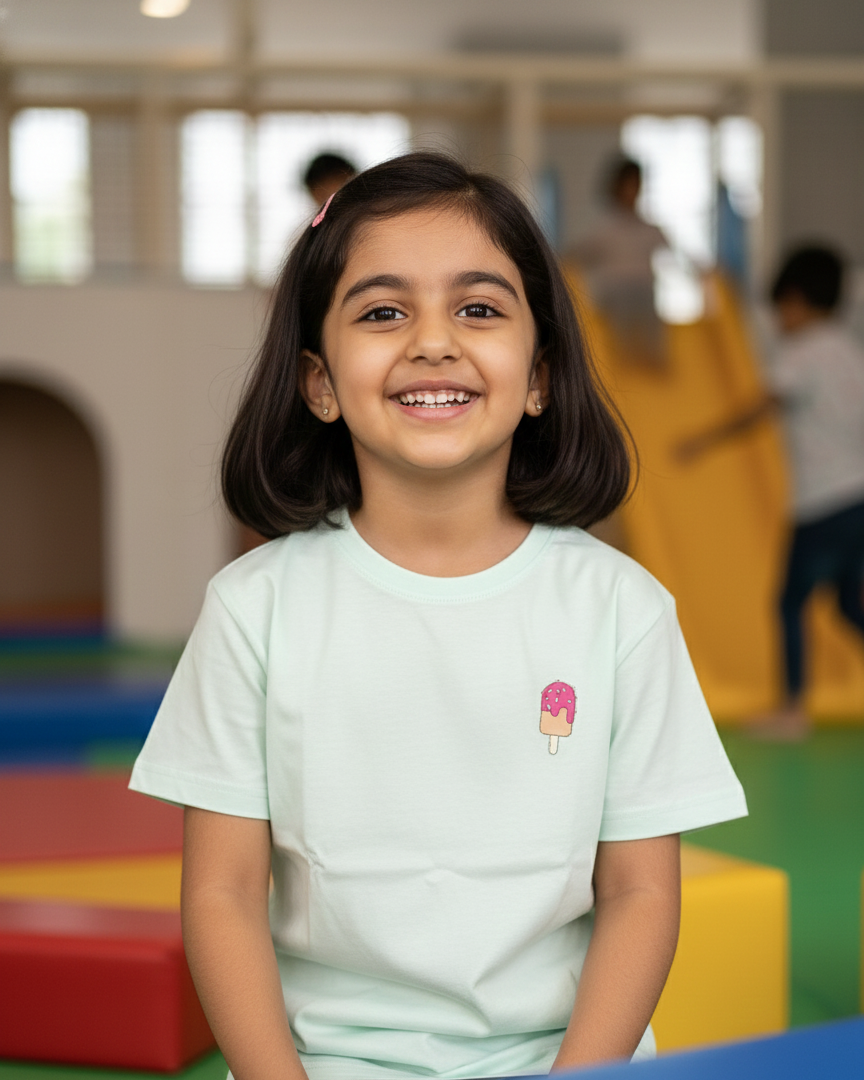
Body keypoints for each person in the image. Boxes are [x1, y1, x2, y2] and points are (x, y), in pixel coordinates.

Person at [129, 152, 747, 1080]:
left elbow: (640, 894)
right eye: (383, 311)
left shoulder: (620, 608)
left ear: (538, 377)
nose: (432, 341)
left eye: (479, 308)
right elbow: (221, 893)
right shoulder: (255, 608)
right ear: (319, 383)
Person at [677, 245, 864, 739]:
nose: (778, 321)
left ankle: (792, 709)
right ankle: (792, 705)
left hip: (821, 504)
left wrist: (702, 441)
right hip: (859, 500)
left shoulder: (800, 353)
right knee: (850, 606)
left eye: (781, 309)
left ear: (798, 301)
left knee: (789, 603)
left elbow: (760, 407)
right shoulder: (850, 351)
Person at [571, 157, 669, 368]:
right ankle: (624, 358)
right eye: (628, 186)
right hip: (615, 291)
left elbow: (674, 253)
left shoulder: (647, 227)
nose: (632, 192)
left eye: (637, 186)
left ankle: (653, 358)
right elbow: (578, 253)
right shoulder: (605, 227)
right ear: (616, 188)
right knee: (623, 303)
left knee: (648, 306)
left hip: (642, 289)